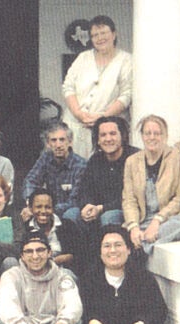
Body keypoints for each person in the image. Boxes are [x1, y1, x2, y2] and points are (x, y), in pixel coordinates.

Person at [122, 114, 180, 254]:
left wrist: (157, 221)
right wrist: (133, 227)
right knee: (119, 231)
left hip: (169, 219)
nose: (152, 137)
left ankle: (141, 247)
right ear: (142, 136)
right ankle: (143, 239)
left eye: (157, 133)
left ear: (165, 136)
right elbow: (129, 200)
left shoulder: (178, 158)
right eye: (148, 133)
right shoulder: (132, 161)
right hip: (143, 219)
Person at [61, 14, 133, 159]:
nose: (99, 38)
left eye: (103, 33)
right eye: (95, 35)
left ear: (114, 34)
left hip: (106, 128)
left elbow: (127, 94)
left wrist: (103, 117)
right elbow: (68, 87)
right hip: (75, 125)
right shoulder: (83, 58)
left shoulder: (126, 60)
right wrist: (79, 114)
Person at [69, 116, 139, 251]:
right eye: (103, 135)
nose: (108, 139)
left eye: (113, 134)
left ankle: (110, 260)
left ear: (122, 136)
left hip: (126, 210)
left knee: (110, 216)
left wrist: (101, 208)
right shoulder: (96, 159)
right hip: (97, 210)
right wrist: (87, 206)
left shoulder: (135, 158)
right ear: (98, 140)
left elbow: (134, 197)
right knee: (71, 214)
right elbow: (84, 189)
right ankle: (79, 261)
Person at [21, 122, 88, 219]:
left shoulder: (81, 165)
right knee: (27, 214)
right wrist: (30, 202)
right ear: (48, 144)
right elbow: (30, 181)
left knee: (71, 214)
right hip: (48, 208)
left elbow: (75, 200)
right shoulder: (45, 158)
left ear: (70, 142)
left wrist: (45, 209)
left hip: (71, 211)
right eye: (53, 140)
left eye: (62, 140)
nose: (58, 145)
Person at [23, 187, 84, 274]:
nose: (43, 211)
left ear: (53, 208)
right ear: (31, 208)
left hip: (62, 273)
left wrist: (62, 259)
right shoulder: (26, 228)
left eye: (48, 207)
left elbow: (79, 254)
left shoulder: (67, 226)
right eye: (38, 207)